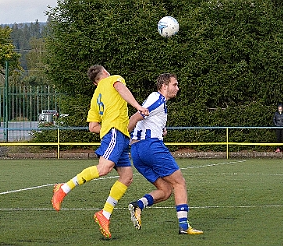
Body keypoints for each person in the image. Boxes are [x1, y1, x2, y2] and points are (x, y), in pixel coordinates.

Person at [51, 65, 149, 239]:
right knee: (103, 168)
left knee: (126, 177)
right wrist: (138, 106)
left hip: (118, 135)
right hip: (115, 133)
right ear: (104, 73)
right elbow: (121, 88)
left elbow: (92, 127)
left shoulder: (95, 97)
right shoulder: (113, 79)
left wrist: (110, 126)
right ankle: (63, 188)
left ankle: (105, 214)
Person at [127, 73, 203, 235]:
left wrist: (161, 130)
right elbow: (135, 117)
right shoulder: (158, 99)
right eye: (174, 84)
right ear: (164, 86)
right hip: (151, 147)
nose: (177, 88)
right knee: (179, 183)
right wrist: (122, 137)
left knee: (166, 190)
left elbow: (145, 119)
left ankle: (138, 205)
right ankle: (184, 226)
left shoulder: (156, 101)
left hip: (137, 153)